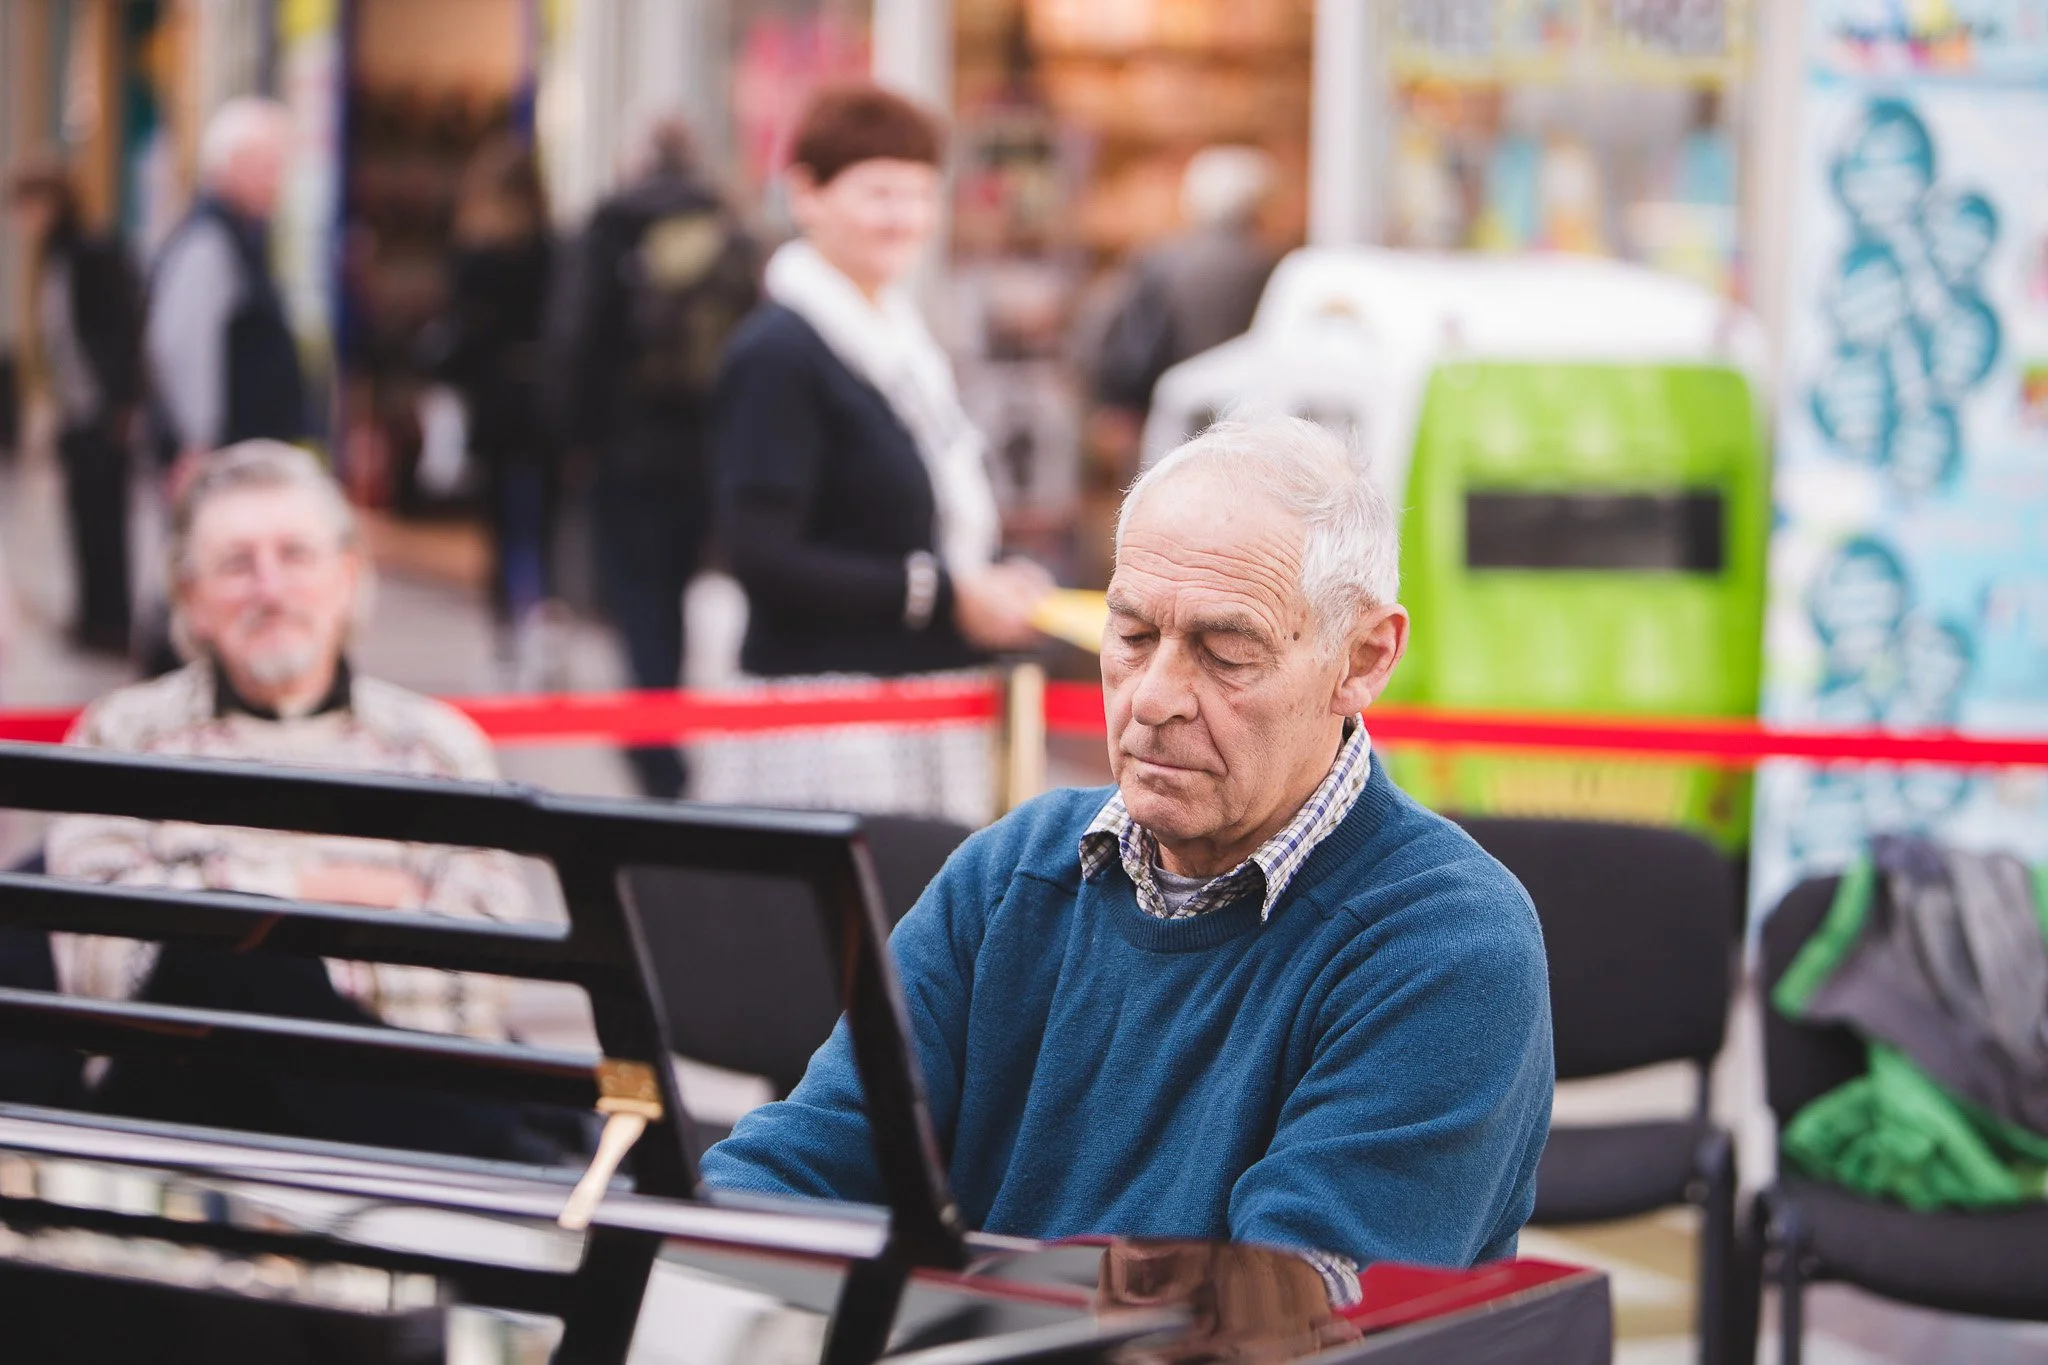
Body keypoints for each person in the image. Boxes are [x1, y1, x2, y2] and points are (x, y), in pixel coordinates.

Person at [703, 414, 1554, 1270]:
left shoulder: (1446, 944)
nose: (1152, 697)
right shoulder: (1012, 873)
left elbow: (1287, 1315)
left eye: (1226, 653)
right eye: (1133, 635)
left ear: (1364, 660)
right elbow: (798, 1163)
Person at [44, 441, 544, 1156]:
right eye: (237, 563)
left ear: (346, 578)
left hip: (393, 1124)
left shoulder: (432, 745)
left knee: (218, 965)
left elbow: (477, 991)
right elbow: (108, 975)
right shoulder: (122, 737)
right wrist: (325, 892)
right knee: (213, 969)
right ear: (191, 598)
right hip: (187, 1127)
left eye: (296, 556)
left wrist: (227, 918)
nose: (270, 589)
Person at [702, 84, 1051, 822]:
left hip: (922, 712)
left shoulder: (898, 339)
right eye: (879, 193)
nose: (905, 218)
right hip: (828, 729)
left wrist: (988, 581)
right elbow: (762, 555)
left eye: (922, 195)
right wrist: (948, 592)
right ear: (806, 194)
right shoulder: (780, 351)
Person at [551, 113, 760, 798]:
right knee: (702, 595)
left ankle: (656, 747)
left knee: (643, 601)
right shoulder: (728, 227)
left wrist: (574, 441)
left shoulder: (613, 223)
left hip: (629, 450)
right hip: (709, 450)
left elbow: (576, 337)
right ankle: (692, 733)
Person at [435, 134, 563, 682]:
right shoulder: (554, 251)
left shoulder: (476, 256)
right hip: (544, 407)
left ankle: (509, 633)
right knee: (538, 522)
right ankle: (540, 621)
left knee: (502, 523)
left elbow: (462, 337)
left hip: (495, 406)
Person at [8, 158, 146, 655]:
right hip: (75, 408)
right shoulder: (56, 255)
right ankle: (92, 616)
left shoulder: (93, 250)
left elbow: (123, 328)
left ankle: (111, 621)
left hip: (101, 409)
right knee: (82, 517)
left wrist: (122, 401)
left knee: (106, 518)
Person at [146, 97, 309, 476]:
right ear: (232, 165)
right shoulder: (209, 241)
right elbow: (184, 343)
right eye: (268, 167)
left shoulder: (242, 237)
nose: (277, 181)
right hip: (224, 454)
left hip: (248, 447)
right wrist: (197, 440)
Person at [1090, 145, 1281, 416]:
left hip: (1170, 403)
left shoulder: (1159, 256)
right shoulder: (1265, 264)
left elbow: (1117, 334)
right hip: (1235, 406)